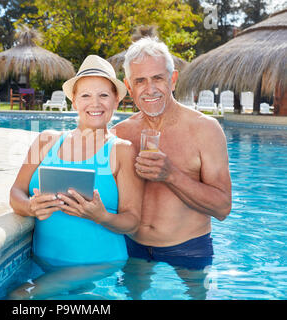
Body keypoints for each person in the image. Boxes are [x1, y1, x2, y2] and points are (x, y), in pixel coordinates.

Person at [9, 55, 144, 298]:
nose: (95, 103)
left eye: (104, 95)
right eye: (86, 95)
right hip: (44, 264)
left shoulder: (121, 150)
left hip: (97, 268)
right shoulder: (45, 141)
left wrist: (101, 216)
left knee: (20, 298)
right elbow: (15, 192)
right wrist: (30, 207)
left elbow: (133, 220)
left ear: (115, 101)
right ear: (74, 101)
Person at [112, 37, 232, 299]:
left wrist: (171, 175)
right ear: (129, 87)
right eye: (140, 81)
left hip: (190, 248)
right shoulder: (120, 133)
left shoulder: (205, 130)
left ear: (173, 80)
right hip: (133, 247)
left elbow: (223, 208)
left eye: (158, 78)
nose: (150, 88)